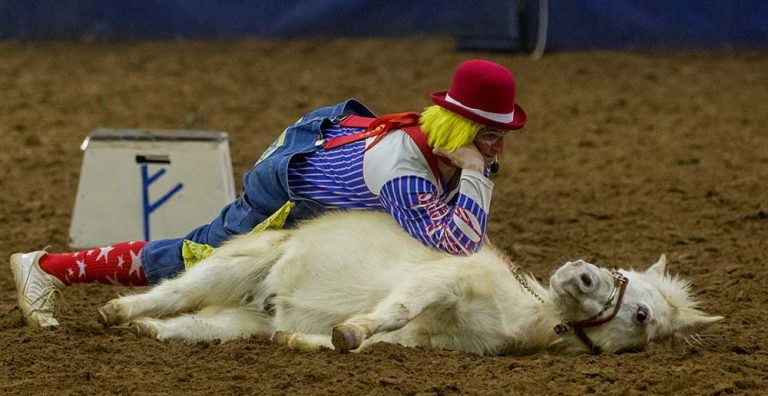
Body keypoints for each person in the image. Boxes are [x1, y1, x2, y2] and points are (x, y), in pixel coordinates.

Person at [11, 59, 527, 329]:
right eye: (487, 135)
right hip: (286, 188)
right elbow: (456, 246)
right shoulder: (405, 170)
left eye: (499, 135)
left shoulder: (439, 148)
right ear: (456, 129)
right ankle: (49, 267)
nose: (497, 147)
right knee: (199, 258)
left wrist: (474, 170)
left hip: (327, 144)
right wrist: (479, 177)